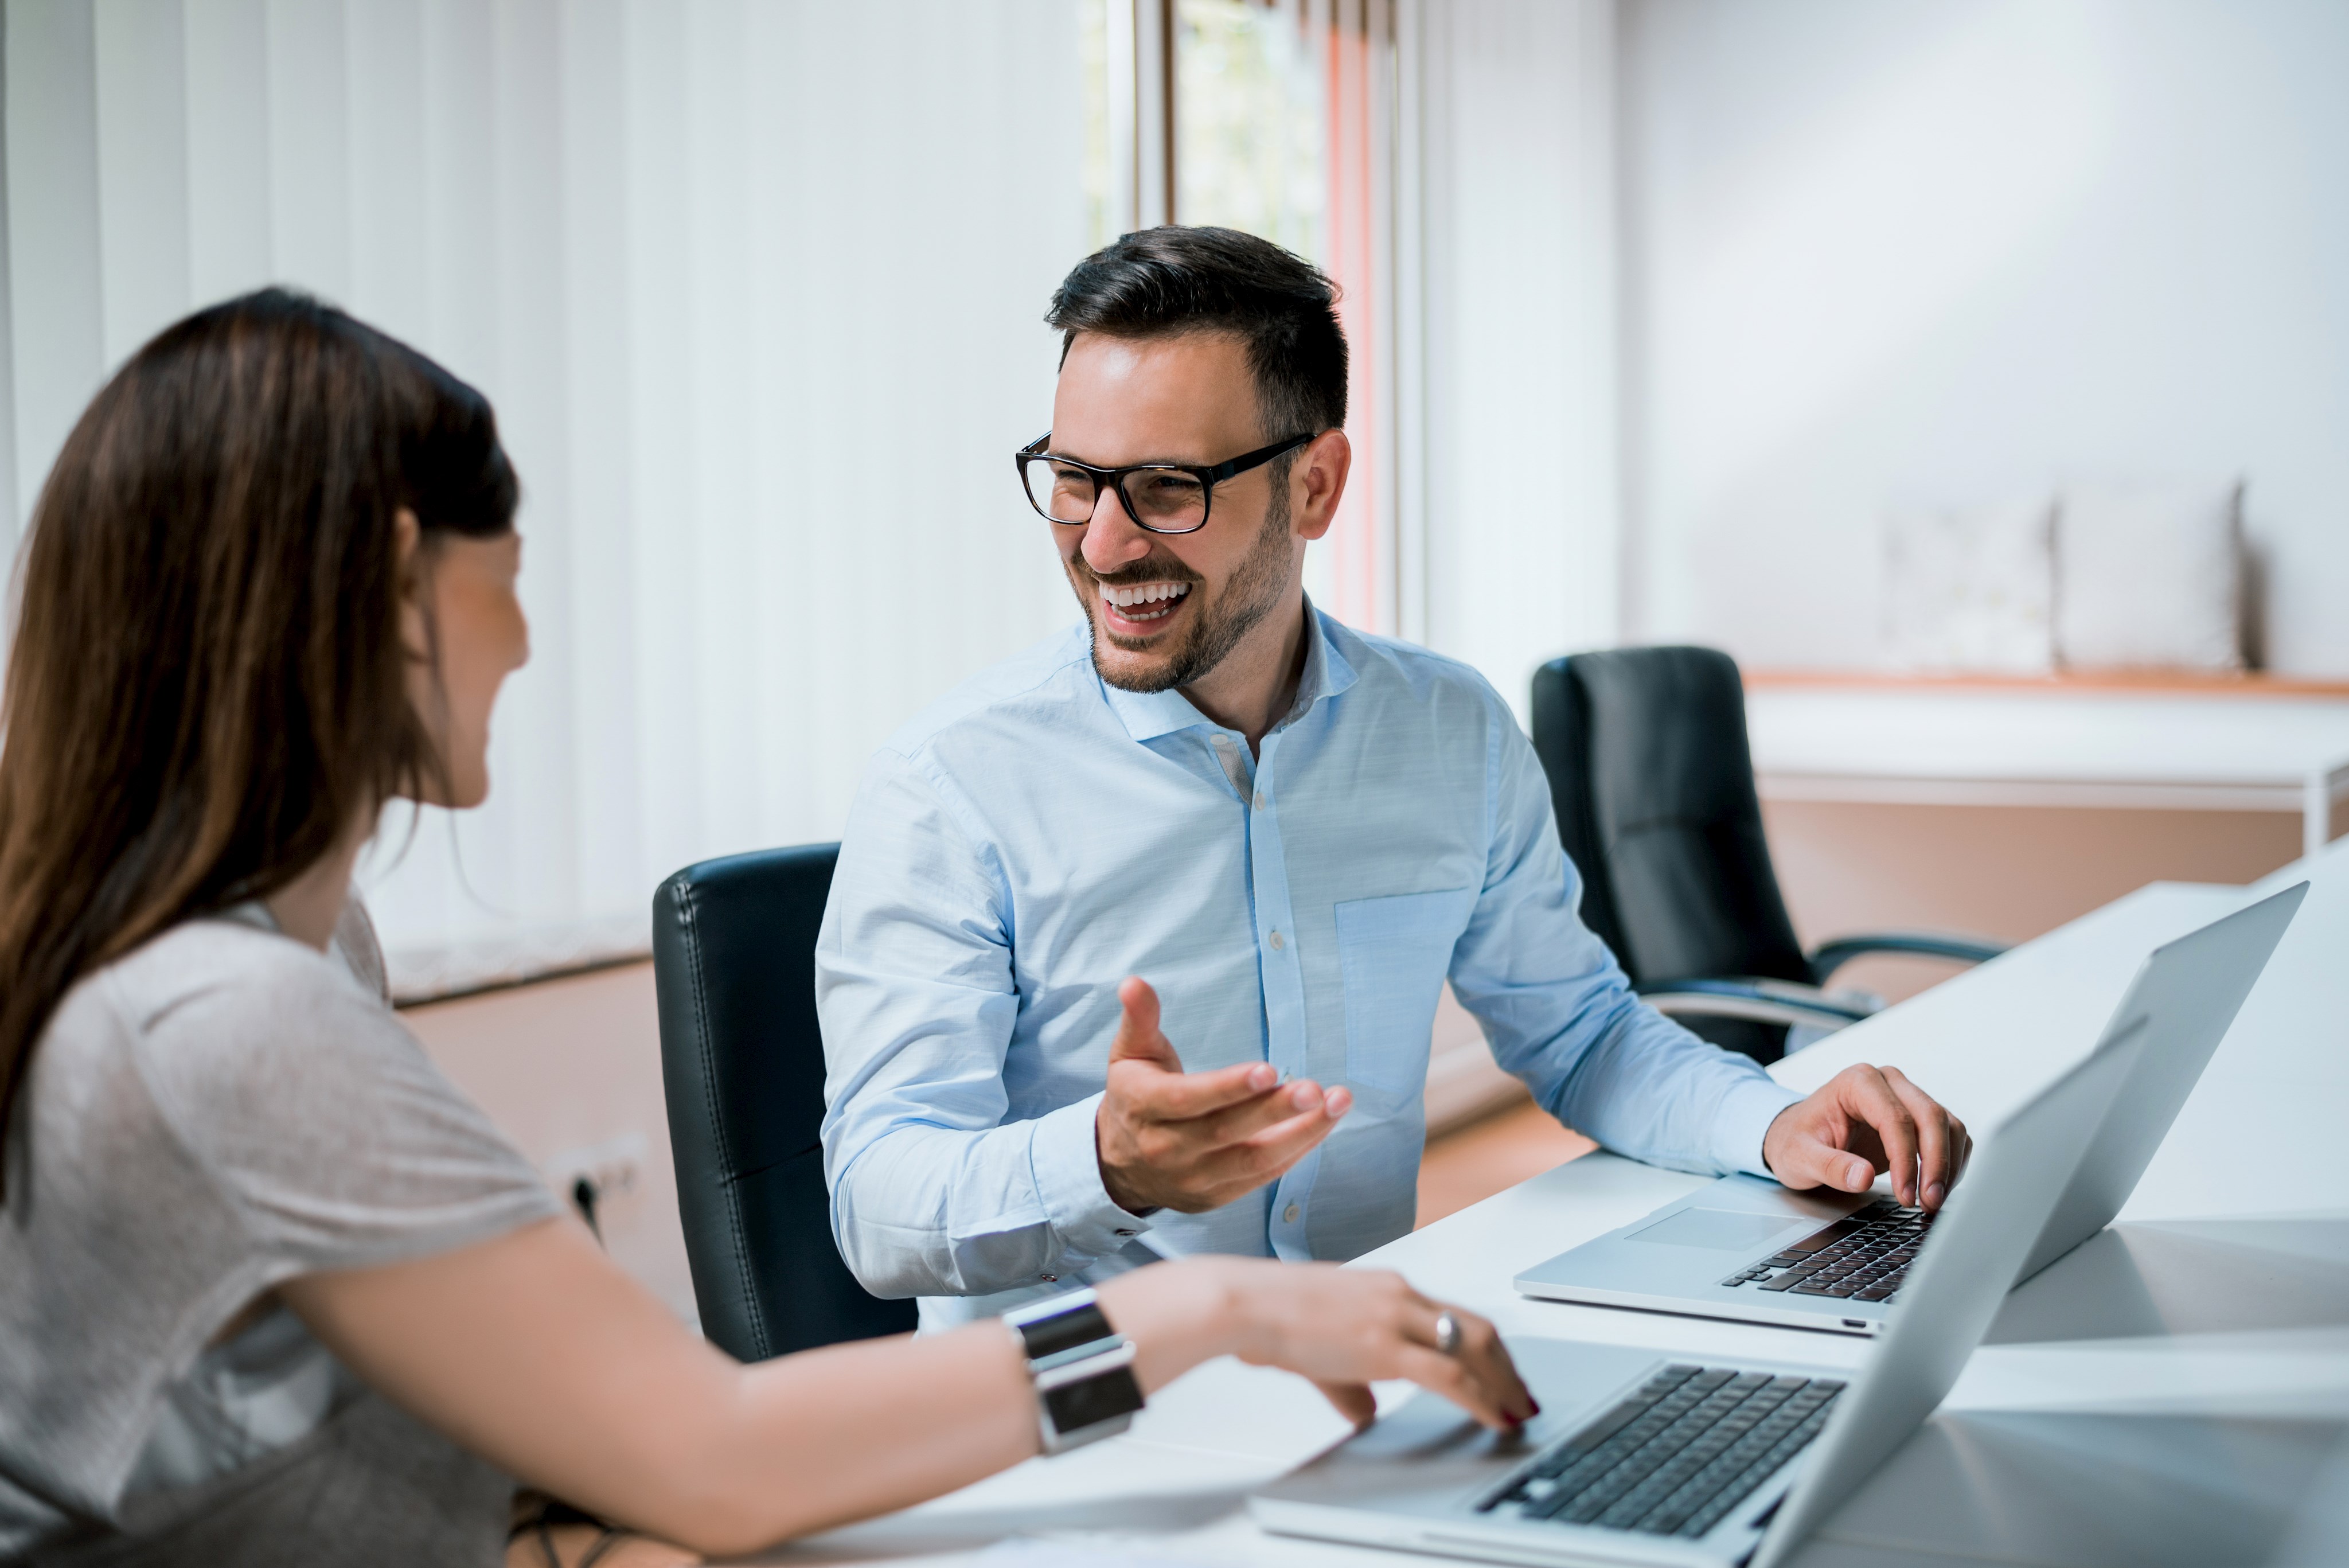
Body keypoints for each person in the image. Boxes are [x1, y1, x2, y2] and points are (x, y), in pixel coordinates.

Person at [0, 290, 1531, 1568]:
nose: (525, 644)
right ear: (397, 590)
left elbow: (464, 1418)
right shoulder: (226, 1019)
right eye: (509, 585)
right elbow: (714, 1449)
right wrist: (1214, 1300)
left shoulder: (285, 957)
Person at [817, 226, 1973, 1333]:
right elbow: (875, 1201)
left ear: (1314, 485)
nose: (1105, 543)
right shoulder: (949, 785)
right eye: (1075, 477)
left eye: (1166, 486)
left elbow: (1578, 1032)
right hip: (1082, 1417)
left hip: (1356, 1367)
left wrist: (1768, 1121)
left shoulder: (1445, 732)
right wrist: (1103, 1163)